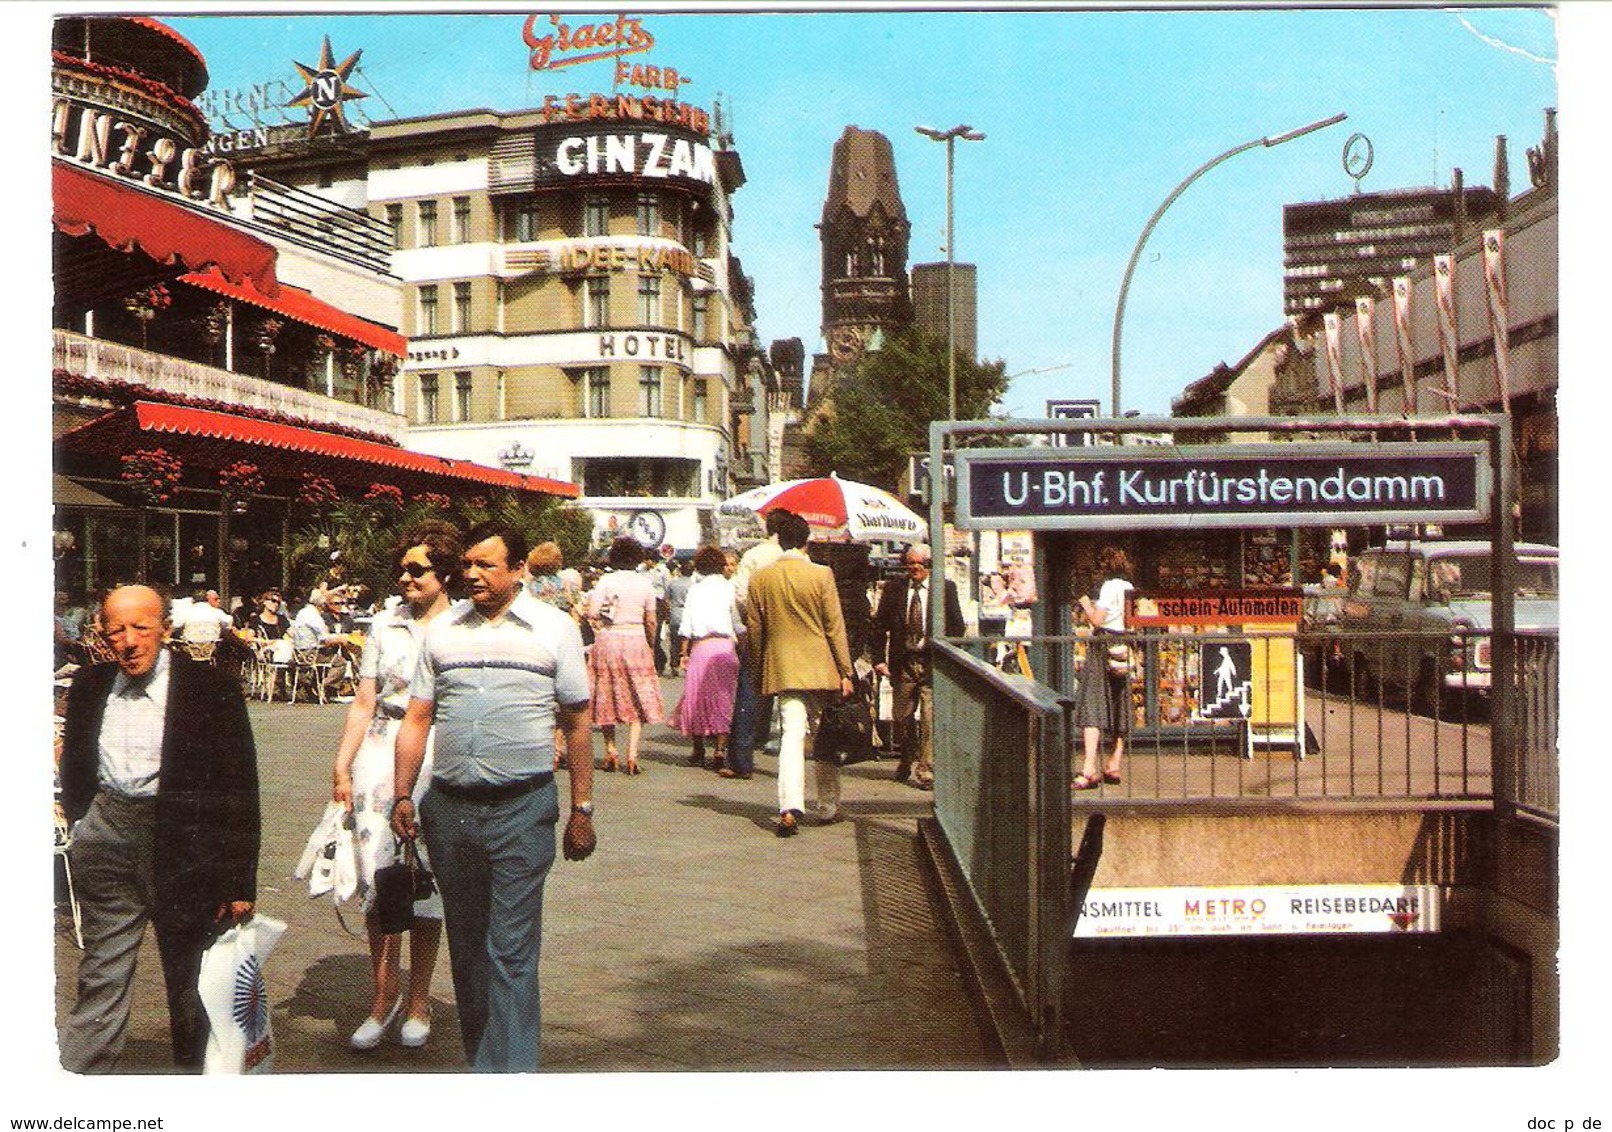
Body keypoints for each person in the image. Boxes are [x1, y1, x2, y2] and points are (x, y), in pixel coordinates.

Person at [391, 520, 595, 1073]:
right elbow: (417, 718)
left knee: (510, 950)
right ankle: (487, 1068)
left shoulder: (554, 630)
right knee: (469, 950)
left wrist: (582, 809)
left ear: (519, 569)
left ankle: (513, 1076)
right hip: (449, 812)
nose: (473, 574)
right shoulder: (443, 633)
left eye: (486, 564)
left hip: (522, 810)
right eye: (468, 564)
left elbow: (578, 722)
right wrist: (402, 795)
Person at [57, 585, 260, 1072]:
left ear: (165, 629)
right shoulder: (90, 685)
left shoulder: (209, 687)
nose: (128, 641)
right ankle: (73, 1090)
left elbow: (239, 784)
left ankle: (195, 1088)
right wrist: (87, 824)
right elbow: (77, 767)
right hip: (109, 837)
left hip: (186, 846)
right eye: (115, 631)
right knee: (102, 973)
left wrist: (238, 882)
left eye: (140, 628)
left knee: (191, 983)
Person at [330, 523, 459, 1051]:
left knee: (425, 882)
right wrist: (342, 764)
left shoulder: (463, 626)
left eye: (418, 569)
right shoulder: (385, 626)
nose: (406, 577)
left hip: (438, 752)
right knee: (379, 880)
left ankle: (420, 1000)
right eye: (403, 569)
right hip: (381, 754)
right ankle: (381, 999)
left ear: (444, 572)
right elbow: (364, 701)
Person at [743, 512, 854, 837]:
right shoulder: (821, 575)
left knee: (791, 736)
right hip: (822, 667)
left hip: (782, 667)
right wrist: (845, 670)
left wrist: (760, 665)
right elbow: (835, 627)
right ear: (807, 541)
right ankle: (828, 804)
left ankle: (789, 807)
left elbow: (754, 629)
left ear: (779, 540)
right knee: (825, 736)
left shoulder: (760, 578)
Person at [872, 544, 964, 790]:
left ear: (929, 565)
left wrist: (950, 657)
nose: (914, 568)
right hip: (903, 661)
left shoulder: (944, 589)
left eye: (919, 564)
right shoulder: (894, 589)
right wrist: (878, 659)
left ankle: (926, 769)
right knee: (902, 716)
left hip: (932, 661)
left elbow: (957, 626)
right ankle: (906, 756)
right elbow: (879, 626)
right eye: (909, 564)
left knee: (929, 716)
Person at [585, 535, 665, 775]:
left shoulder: (606, 581)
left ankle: (611, 749)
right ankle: (632, 754)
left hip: (609, 639)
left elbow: (592, 612)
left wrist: (601, 625)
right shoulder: (645, 584)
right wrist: (651, 644)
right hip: (636, 639)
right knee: (637, 696)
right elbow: (651, 620)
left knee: (606, 693)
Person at [725, 509, 789, 780]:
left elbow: (739, 594)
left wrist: (749, 619)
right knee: (789, 696)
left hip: (758, 629)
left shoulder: (754, 555)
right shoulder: (794, 557)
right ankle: (787, 757)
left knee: (749, 693)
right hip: (790, 633)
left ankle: (742, 760)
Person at [1072, 545, 1136, 791]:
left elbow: (1097, 620)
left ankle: (1088, 768)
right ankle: (1114, 763)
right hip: (1123, 645)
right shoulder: (1129, 588)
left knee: (1092, 702)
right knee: (1121, 703)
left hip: (1102, 645)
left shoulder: (1109, 587)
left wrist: (1086, 603)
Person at [672, 546, 740, 771]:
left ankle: (698, 748)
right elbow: (737, 623)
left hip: (701, 648)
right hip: (724, 647)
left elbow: (687, 626)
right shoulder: (729, 588)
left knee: (697, 698)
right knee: (724, 699)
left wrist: (683, 653)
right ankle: (720, 750)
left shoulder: (695, 590)